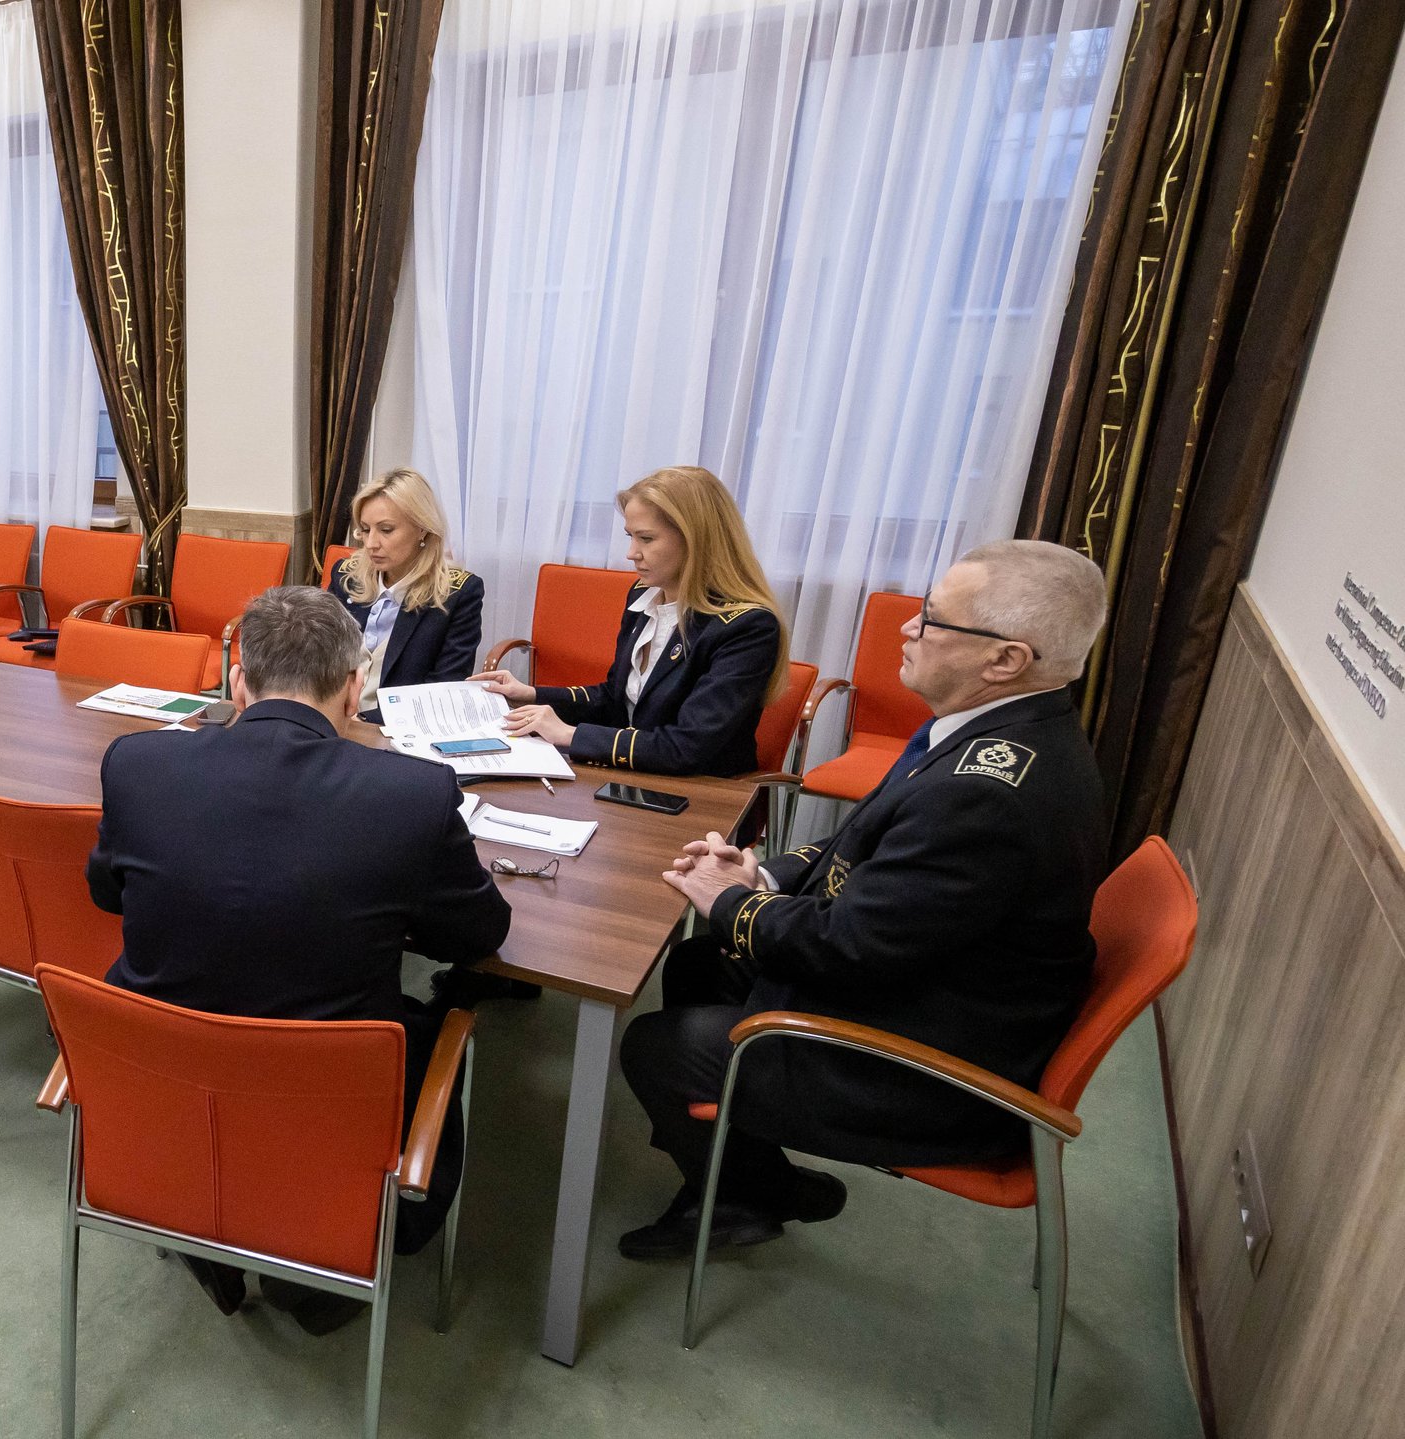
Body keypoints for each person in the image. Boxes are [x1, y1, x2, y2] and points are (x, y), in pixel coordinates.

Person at [614, 539, 1110, 1261]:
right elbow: (864, 843)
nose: (907, 627)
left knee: (657, 1046)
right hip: (932, 990)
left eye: (932, 618)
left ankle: (746, 1195)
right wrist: (762, 878)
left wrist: (727, 902)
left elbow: (846, 949)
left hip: (925, 1064)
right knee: (699, 962)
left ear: (1005, 659)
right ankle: (745, 1173)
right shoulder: (999, 731)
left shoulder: (983, 797)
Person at [89, 585, 511, 1331]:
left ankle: (207, 1215)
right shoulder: (413, 793)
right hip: (327, 1104)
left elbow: (106, 893)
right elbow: (478, 935)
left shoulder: (137, 764)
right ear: (353, 689)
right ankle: (319, 1276)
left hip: (166, 1088)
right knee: (435, 1026)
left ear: (237, 682)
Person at [472, 465, 784, 776]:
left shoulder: (747, 627)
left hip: (701, 789)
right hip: (634, 775)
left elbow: (687, 748)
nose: (631, 553)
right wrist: (531, 694)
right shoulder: (643, 595)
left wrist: (569, 734)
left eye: (646, 539)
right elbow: (615, 698)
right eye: (630, 537)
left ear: (696, 540)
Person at [323, 468, 486, 708]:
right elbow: (318, 658)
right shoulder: (346, 576)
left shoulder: (457, 594)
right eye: (365, 530)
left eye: (386, 530)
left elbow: (443, 688)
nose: (371, 544)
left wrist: (365, 721)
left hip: (400, 723)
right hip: (333, 716)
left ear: (422, 528)